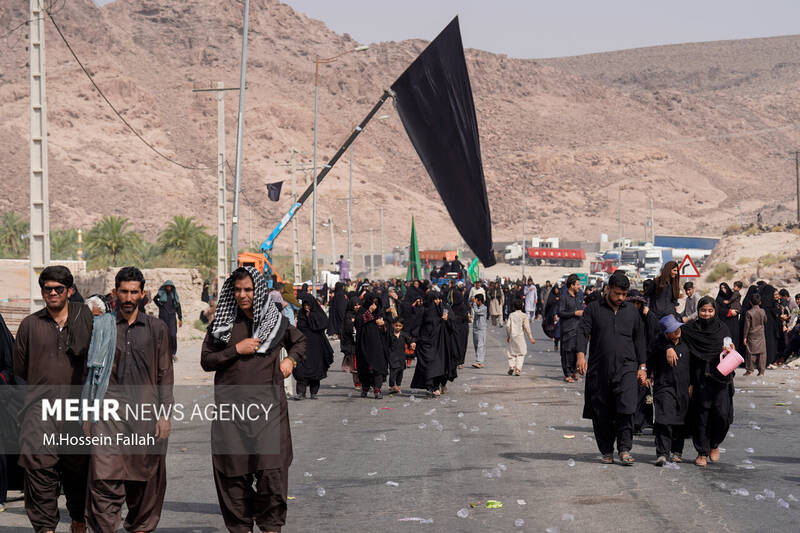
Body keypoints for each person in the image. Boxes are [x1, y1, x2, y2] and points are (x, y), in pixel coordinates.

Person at [201, 266, 305, 533]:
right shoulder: (222, 326)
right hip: (231, 415)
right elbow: (207, 360)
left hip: (269, 413)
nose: (242, 295)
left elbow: (299, 342)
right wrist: (236, 349)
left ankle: (270, 527)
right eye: (237, 290)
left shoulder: (276, 322)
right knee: (233, 477)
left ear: (258, 291)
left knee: (272, 475)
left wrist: (291, 361)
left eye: (248, 289)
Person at [85, 267, 173, 532]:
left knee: (145, 478)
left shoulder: (156, 329)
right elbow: (90, 374)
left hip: (145, 412)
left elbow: (165, 374)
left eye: (134, 292)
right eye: (123, 292)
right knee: (104, 477)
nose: (128, 297)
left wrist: (164, 415)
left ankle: (140, 527)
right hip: (108, 413)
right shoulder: (102, 327)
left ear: (142, 294)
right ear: (114, 293)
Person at [13, 266, 92, 533]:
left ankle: (78, 521)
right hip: (40, 412)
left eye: (59, 289)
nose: (53, 293)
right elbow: (20, 368)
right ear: (42, 292)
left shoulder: (85, 322)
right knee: (39, 473)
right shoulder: (30, 325)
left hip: (76, 413)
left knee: (78, 473)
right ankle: (45, 528)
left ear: (70, 291)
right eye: (48, 289)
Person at [576, 271, 647, 465]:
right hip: (600, 369)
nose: (621, 298)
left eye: (624, 294)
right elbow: (583, 332)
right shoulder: (593, 309)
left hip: (627, 368)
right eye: (617, 294)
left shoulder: (631, 311)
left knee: (626, 408)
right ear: (608, 289)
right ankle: (606, 450)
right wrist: (581, 355)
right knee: (602, 412)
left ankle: (624, 449)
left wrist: (642, 366)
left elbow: (640, 339)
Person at [673, 296, 734, 467]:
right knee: (702, 415)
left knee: (721, 414)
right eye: (703, 310)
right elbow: (675, 340)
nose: (706, 314)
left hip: (721, 377)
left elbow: (730, 345)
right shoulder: (690, 330)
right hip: (699, 377)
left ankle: (714, 443)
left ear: (715, 311)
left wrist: (730, 349)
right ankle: (702, 452)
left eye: (710, 311)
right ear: (698, 311)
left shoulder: (722, 329)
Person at [649, 315, 691, 466]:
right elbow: (651, 355)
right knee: (664, 419)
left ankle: (677, 451)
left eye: (678, 327)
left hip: (683, 387)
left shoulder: (686, 343)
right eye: (672, 330)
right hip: (664, 386)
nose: (677, 331)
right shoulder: (659, 345)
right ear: (666, 333)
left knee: (680, 420)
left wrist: (692, 384)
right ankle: (662, 453)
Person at [292, 293, 333, 400]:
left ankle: (314, 392)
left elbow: (322, 325)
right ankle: (301, 393)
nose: (306, 307)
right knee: (301, 368)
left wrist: (311, 316)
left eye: (308, 305)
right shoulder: (301, 313)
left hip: (316, 345)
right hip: (303, 345)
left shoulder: (318, 313)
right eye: (305, 305)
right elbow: (300, 326)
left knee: (316, 368)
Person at [410, 293, 449, 397]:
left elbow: (448, 324)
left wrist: (445, 319)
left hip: (437, 342)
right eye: (435, 299)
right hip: (424, 342)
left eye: (438, 299)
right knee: (426, 364)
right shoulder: (423, 310)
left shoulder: (440, 310)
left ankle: (435, 386)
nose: (437, 301)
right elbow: (417, 325)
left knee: (436, 365)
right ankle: (429, 386)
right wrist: (413, 340)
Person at [356, 295, 389, 399]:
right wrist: (369, 312)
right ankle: (365, 388)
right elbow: (358, 323)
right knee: (365, 367)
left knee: (378, 367)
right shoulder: (362, 310)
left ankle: (377, 390)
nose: (374, 305)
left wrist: (383, 324)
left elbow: (388, 324)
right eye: (372, 302)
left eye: (376, 303)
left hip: (378, 345)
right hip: (364, 344)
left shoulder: (380, 311)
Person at [558, 274, 583, 383]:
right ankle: (567, 374)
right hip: (567, 329)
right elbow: (560, 312)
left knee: (576, 352)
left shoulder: (578, 297)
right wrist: (574, 313)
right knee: (567, 352)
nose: (579, 287)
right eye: (577, 284)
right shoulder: (564, 297)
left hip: (578, 328)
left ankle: (574, 372)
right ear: (572, 285)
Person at [153, 280, 182, 362]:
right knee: (163, 335)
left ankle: (173, 353)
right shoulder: (161, 294)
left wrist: (180, 318)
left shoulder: (174, 295)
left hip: (172, 318)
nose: (168, 288)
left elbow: (178, 306)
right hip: (163, 317)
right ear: (165, 287)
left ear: (172, 287)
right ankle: (162, 353)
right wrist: (160, 306)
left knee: (173, 335)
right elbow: (155, 299)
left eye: (170, 287)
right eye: (167, 286)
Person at [506, 300, 534, 376]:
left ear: (514, 307)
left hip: (512, 336)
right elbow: (527, 327)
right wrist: (530, 337)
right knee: (521, 353)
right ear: (522, 306)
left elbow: (508, 326)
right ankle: (518, 369)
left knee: (512, 352)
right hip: (520, 336)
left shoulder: (511, 315)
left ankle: (512, 366)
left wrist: (508, 336)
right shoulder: (524, 316)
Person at [386, 319, 414, 393]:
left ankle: (398, 386)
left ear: (402, 326)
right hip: (392, 356)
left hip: (401, 357)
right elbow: (386, 344)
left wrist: (412, 344)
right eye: (396, 325)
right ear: (393, 325)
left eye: (400, 326)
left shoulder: (404, 334)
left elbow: (409, 341)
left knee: (400, 372)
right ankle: (392, 386)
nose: (398, 327)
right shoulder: (390, 334)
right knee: (393, 372)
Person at [743, 293, 767, 376]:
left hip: (752, 334)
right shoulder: (762, 311)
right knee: (762, 353)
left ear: (750, 302)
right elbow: (765, 320)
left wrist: (745, 337)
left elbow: (747, 326)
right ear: (760, 302)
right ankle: (761, 371)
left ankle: (750, 370)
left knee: (750, 352)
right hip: (761, 334)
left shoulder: (749, 312)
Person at [340, 298, 361, 390]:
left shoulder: (363, 314)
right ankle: (357, 383)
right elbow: (346, 330)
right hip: (352, 345)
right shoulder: (348, 316)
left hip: (362, 344)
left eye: (359, 304)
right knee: (355, 366)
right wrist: (352, 322)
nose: (357, 307)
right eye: (355, 305)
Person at [471, 294, 488, 368]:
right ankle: (480, 362)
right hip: (475, 328)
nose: (475, 301)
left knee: (480, 345)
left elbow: (477, 311)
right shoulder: (476, 306)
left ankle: (478, 361)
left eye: (476, 300)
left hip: (481, 329)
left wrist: (474, 304)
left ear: (480, 301)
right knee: (476, 345)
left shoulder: (484, 308)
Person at [542, 285, 560, 350]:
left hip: (558, 313)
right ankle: (553, 336)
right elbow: (549, 303)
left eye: (557, 289)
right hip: (550, 313)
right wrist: (555, 300)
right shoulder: (551, 296)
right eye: (555, 289)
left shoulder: (561, 296)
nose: (556, 291)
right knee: (550, 326)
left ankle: (557, 337)